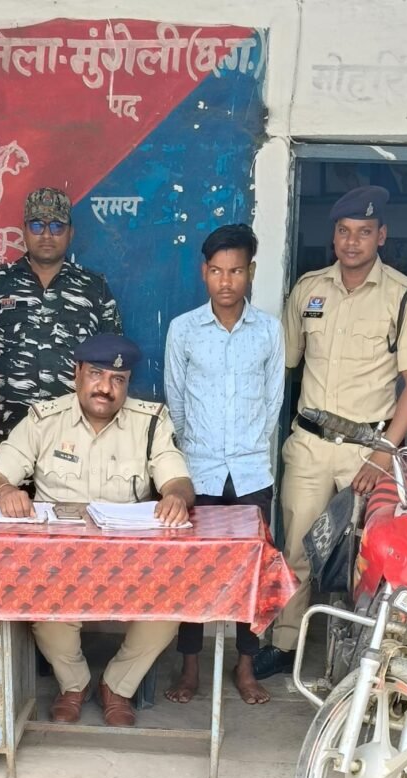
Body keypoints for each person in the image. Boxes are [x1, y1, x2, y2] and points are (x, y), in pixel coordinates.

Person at [254, 185, 407, 680]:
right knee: (298, 550)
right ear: (333, 236)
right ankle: (285, 643)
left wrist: (384, 452)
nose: (352, 242)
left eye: (364, 232)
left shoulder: (406, 297)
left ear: (382, 236)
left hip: (369, 452)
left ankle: (362, 656)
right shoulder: (308, 290)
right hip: (310, 445)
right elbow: (283, 366)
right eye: (344, 231)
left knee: (367, 558)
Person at [0, 333, 195, 727]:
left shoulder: (150, 422)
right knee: (38, 597)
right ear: (76, 373)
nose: (106, 388)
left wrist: (176, 497)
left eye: (118, 379)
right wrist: (5, 492)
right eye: (96, 374)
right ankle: (74, 684)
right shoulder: (44, 420)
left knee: (174, 600)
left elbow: (177, 479)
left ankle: (118, 686)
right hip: (57, 560)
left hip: (130, 560)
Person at [163, 224, 285, 705]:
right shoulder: (184, 329)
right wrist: (195, 452)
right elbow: (176, 402)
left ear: (250, 271)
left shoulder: (269, 331)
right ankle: (190, 666)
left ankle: (245, 665)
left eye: (235, 271)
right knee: (192, 572)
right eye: (217, 271)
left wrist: (248, 447)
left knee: (252, 572)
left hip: (252, 472)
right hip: (200, 470)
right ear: (204, 273)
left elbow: (272, 402)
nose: (226, 281)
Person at [0, 187, 122, 442]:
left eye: (57, 226)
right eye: (37, 225)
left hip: (76, 435)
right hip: (8, 433)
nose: (47, 235)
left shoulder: (94, 288)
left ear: (71, 233)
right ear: (24, 230)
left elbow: (113, 363)